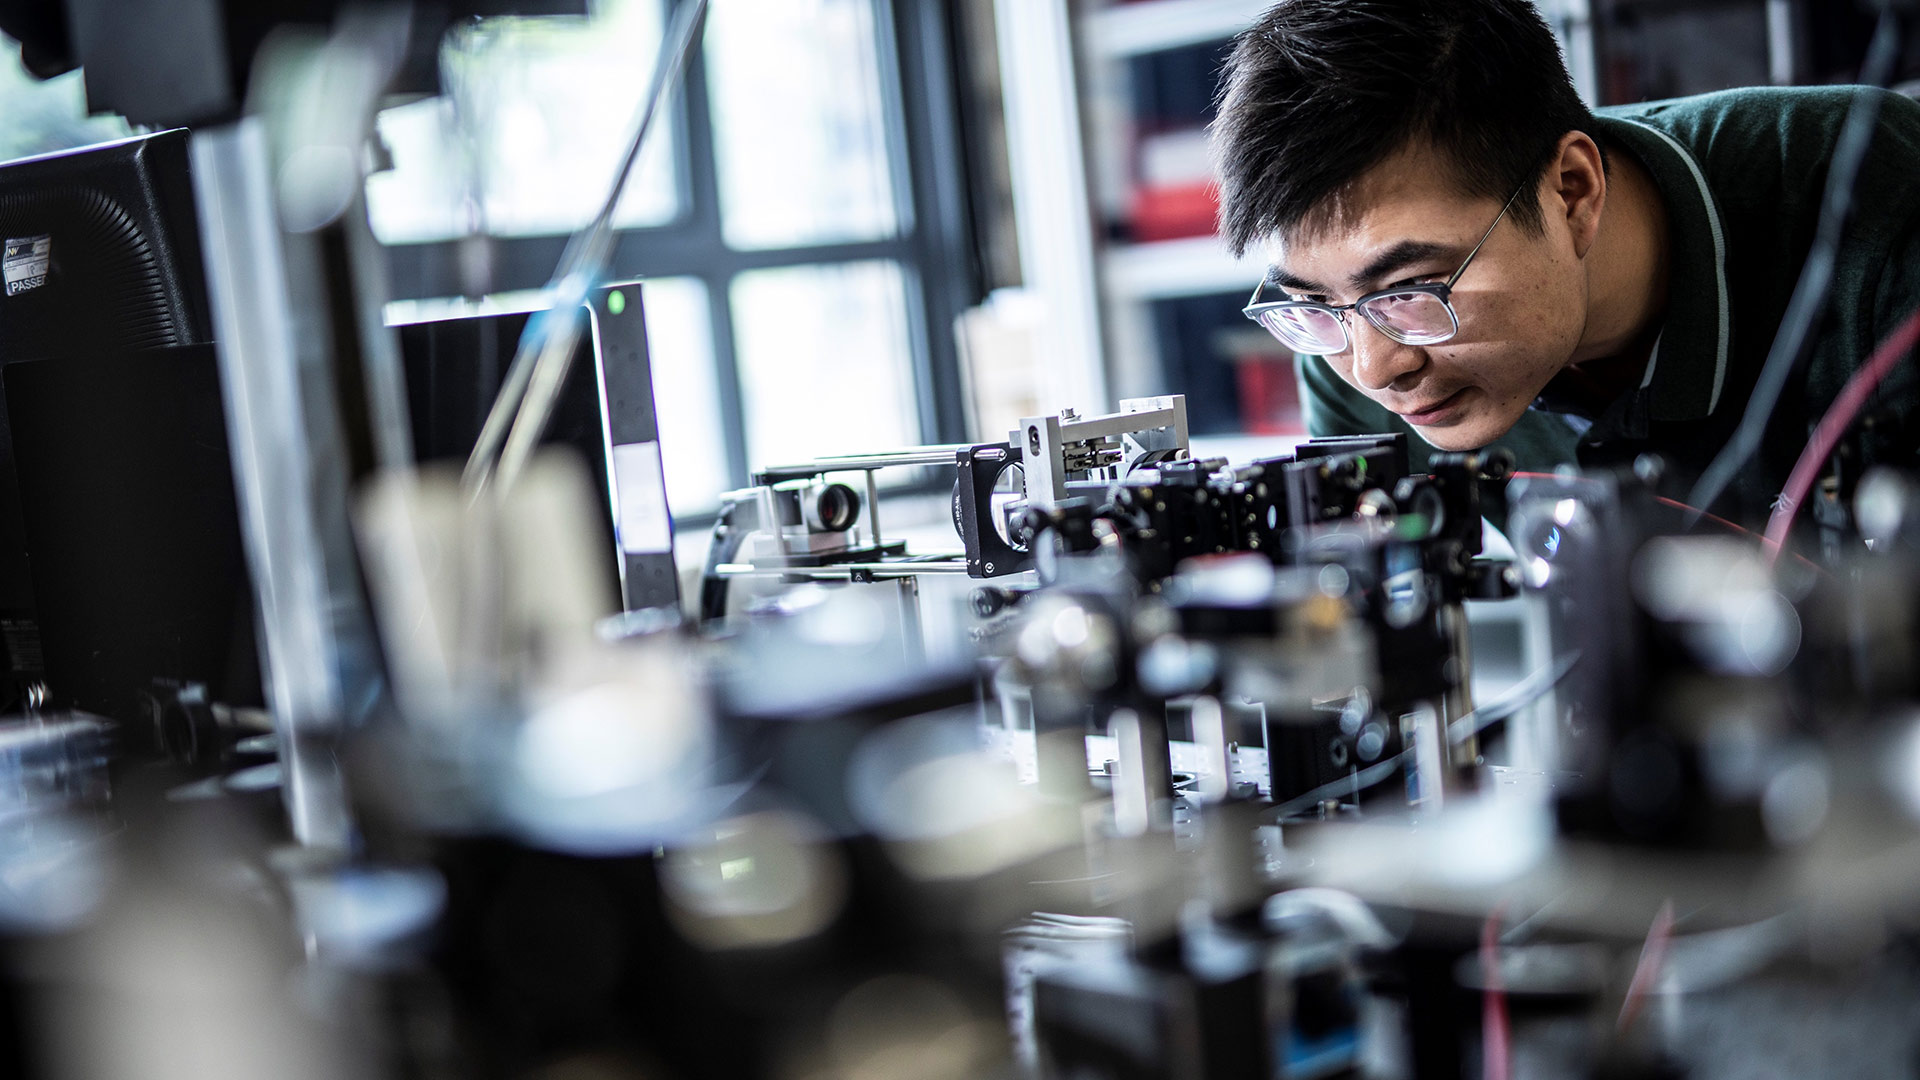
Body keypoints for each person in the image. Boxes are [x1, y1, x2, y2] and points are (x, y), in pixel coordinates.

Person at [1211, 0, 1920, 526]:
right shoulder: (1345, 332)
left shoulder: (1880, 198)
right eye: (1312, 305)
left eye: (1408, 289)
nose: (1374, 370)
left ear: (1572, 191)